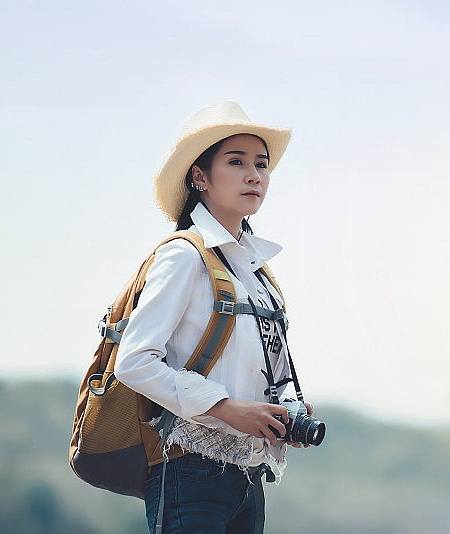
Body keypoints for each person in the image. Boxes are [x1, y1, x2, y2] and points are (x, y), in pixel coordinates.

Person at [114, 101, 311, 534]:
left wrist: (285, 413)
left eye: (262, 164)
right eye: (236, 162)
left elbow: (264, 370)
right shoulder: (183, 256)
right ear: (199, 176)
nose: (254, 175)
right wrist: (226, 408)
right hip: (188, 473)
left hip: (249, 478)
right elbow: (133, 361)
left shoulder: (260, 274)